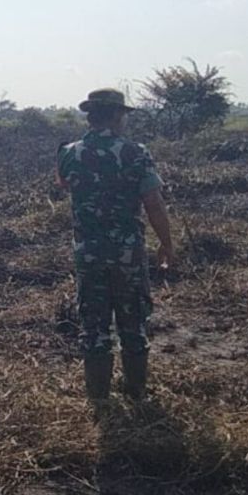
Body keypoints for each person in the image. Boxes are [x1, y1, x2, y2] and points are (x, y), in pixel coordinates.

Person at [57, 88, 176, 401]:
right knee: (133, 323)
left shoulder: (70, 151)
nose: (125, 120)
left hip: (88, 254)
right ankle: (137, 395)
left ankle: (98, 399)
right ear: (113, 114)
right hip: (128, 254)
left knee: (94, 327)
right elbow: (153, 202)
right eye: (123, 114)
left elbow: (65, 183)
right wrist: (166, 243)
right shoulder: (135, 152)